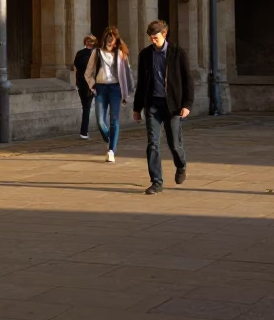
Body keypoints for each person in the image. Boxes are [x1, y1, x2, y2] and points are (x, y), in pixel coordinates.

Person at [133, 19, 191, 194]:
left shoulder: (177, 53)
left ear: (164, 34)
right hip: (153, 105)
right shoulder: (145, 54)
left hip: (172, 106)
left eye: (155, 36)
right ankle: (156, 182)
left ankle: (181, 166)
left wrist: (187, 104)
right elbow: (141, 83)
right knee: (153, 144)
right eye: (150, 37)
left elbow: (188, 80)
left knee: (174, 143)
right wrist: (137, 108)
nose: (153, 40)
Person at [84, 26, 135, 163]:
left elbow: (127, 73)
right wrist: (93, 85)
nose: (109, 41)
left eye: (112, 39)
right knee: (100, 121)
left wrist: (127, 91)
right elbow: (88, 72)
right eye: (108, 38)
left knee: (114, 120)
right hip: (101, 88)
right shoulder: (97, 52)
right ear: (104, 39)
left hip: (115, 89)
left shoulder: (121, 54)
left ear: (116, 40)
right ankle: (109, 139)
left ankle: (111, 150)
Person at [73, 35, 97, 139]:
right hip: (89, 84)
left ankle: (84, 131)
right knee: (87, 107)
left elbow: (76, 69)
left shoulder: (79, 53)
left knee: (86, 107)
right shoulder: (94, 54)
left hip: (81, 83)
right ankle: (84, 132)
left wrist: (76, 82)